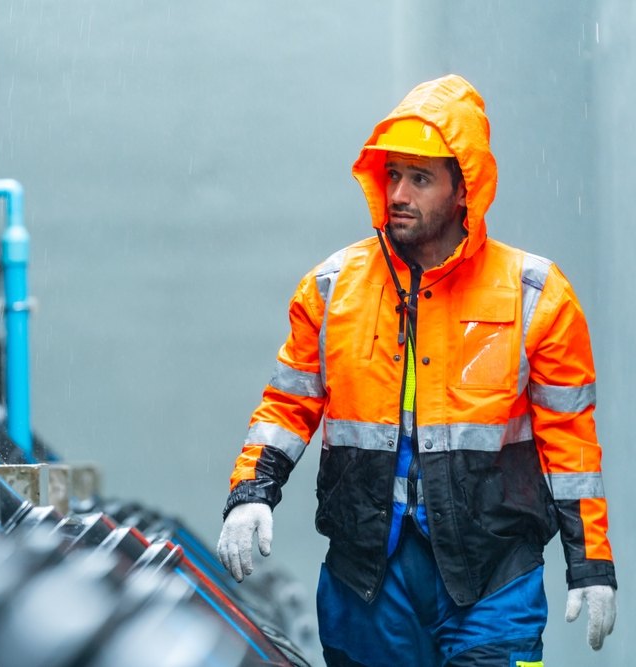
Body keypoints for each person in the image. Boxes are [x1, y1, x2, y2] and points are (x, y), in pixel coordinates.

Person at [215, 74, 617, 666]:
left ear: (464, 190)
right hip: (366, 584)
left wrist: (591, 565)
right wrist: (251, 492)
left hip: (494, 583)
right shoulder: (332, 289)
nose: (398, 192)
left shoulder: (535, 294)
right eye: (393, 175)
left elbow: (570, 442)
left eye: (420, 178)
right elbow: (288, 405)